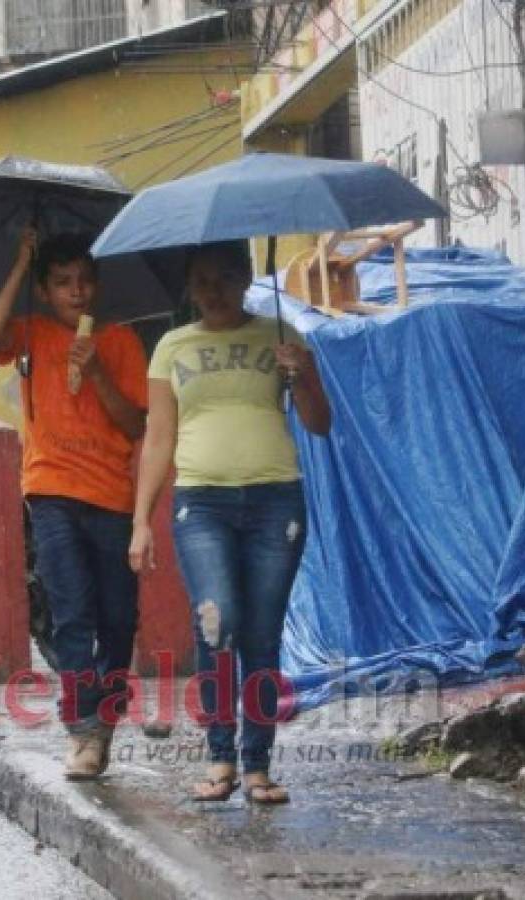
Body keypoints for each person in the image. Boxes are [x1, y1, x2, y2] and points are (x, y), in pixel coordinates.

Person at [129, 241, 332, 805]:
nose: (212, 290)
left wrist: (306, 376)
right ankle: (220, 759)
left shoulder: (282, 335)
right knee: (218, 621)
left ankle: (258, 767)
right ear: (189, 288)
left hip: (276, 502)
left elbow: (320, 424)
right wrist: (141, 521)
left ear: (245, 279)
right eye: (201, 281)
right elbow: (160, 438)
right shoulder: (172, 346)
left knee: (263, 635)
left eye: (224, 278)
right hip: (201, 505)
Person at [0, 229, 148, 780]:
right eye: (61, 284)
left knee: (119, 619)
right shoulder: (29, 335)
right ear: (45, 291)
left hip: (112, 495)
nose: (75, 292)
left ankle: (105, 716)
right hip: (51, 490)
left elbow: (135, 423)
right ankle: (82, 730)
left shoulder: (120, 340)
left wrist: (96, 368)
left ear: (95, 285)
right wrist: (20, 261)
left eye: (83, 281)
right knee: (72, 613)